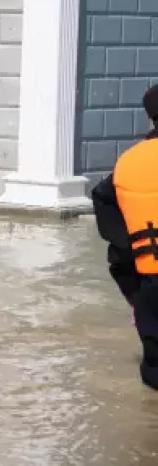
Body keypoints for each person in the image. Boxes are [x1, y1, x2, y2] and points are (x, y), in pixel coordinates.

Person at [91, 84, 158, 391]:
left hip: (148, 285)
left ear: (150, 119)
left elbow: (116, 252)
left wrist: (136, 297)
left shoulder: (127, 163)